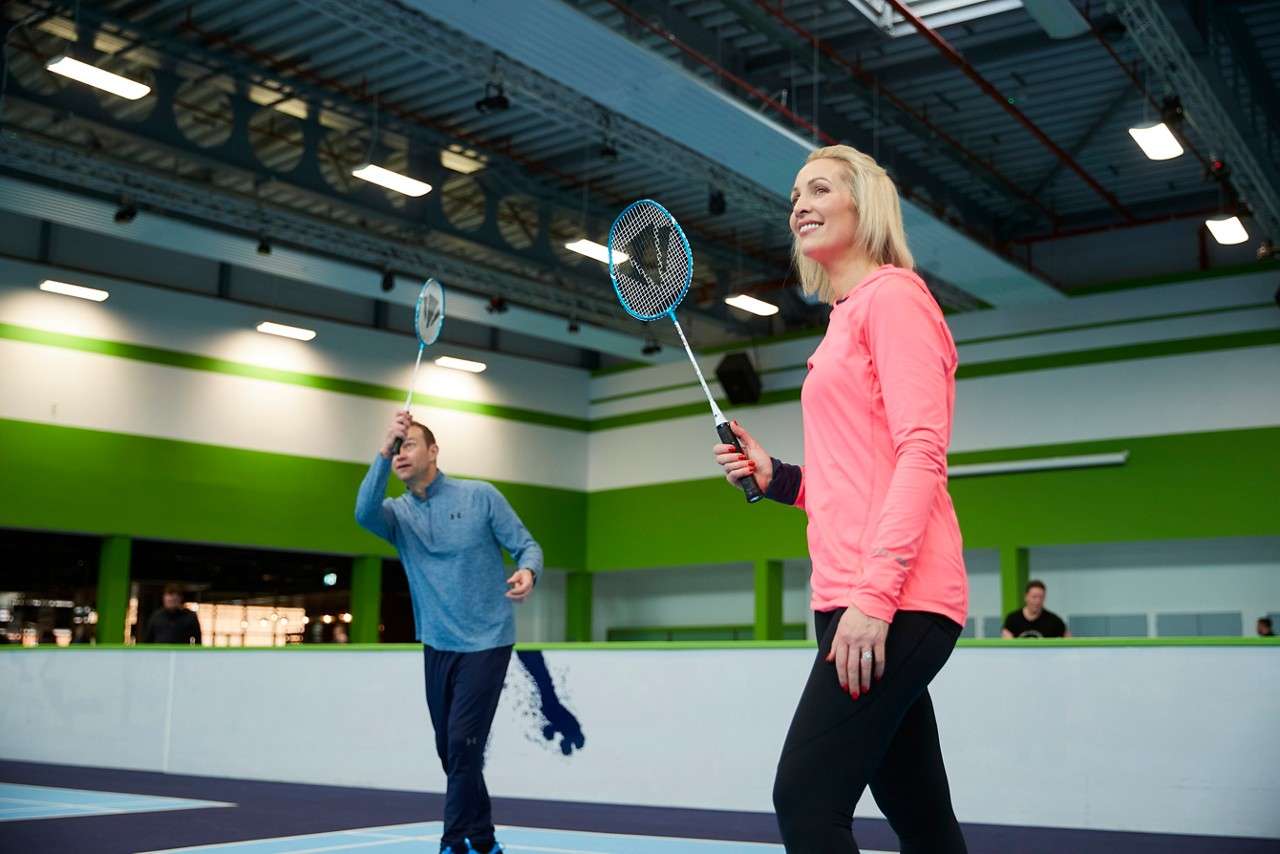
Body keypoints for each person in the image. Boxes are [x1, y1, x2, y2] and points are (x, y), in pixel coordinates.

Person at [715, 144, 968, 853]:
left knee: (805, 802)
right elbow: (857, 475)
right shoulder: (844, 318)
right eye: (795, 192)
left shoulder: (895, 298)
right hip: (855, 596)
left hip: (893, 599)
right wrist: (781, 479)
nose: (800, 203)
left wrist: (875, 598)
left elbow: (923, 454)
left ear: (866, 205)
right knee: (922, 819)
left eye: (819, 188)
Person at [356, 411, 542, 854]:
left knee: (461, 744)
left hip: (487, 640)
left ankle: (453, 842)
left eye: (410, 445)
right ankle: (484, 838)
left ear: (434, 451)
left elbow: (526, 545)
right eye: (397, 448)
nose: (402, 454)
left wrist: (528, 572)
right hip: (438, 644)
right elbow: (363, 512)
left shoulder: (480, 496)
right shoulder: (397, 515)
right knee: (452, 751)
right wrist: (382, 450)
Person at [1001, 580, 1070, 639]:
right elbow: (1007, 645)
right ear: (1026, 597)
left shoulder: (1055, 621)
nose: (1038, 601)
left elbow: (1069, 642)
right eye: (1034, 597)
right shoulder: (1012, 620)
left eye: (1041, 597)